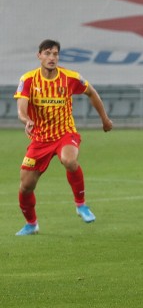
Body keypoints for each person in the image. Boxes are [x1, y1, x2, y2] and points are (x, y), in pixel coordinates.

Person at [14, 39, 113, 236]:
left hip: (64, 133)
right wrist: (27, 121)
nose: (52, 58)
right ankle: (31, 224)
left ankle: (81, 205)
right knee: (25, 187)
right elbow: (21, 110)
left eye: (55, 54)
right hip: (40, 139)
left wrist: (105, 119)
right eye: (48, 53)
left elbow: (91, 92)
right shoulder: (28, 80)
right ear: (39, 55)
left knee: (69, 160)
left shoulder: (70, 77)